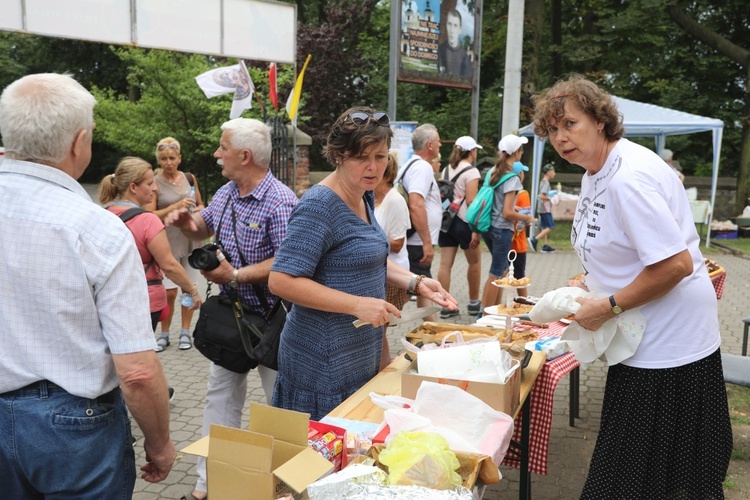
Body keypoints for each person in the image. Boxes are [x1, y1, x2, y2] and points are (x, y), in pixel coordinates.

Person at [532, 74, 731, 499]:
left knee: (644, 476)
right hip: (639, 340)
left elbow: (675, 264)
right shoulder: (595, 171)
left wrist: (607, 305)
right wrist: (592, 279)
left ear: (599, 121)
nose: (561, 137)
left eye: (570, 123)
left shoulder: (629, 178)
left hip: (670, 349)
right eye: (552, 130)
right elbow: (624, 244)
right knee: (637, 471)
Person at [0, 73, 175, 497]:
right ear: (79, 142)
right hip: (74, 428)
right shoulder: (98, 230)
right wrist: (160, 443)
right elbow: (135, 372)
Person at [268, 107, 456, 421]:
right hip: (322, 362)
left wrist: (416, 282)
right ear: (338, 155)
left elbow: (367, 259)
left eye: (380, 157)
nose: (373, 168)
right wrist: (356, 304)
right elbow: (281, 281)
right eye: (361, 158)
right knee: (324, 461)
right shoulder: (319, 205)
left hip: (361, 350)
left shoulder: (364, 194)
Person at [165, 118, 297, 500]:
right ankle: (209, 484)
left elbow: (289, 263)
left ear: (245, 155)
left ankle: (284, 484)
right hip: (233, 320)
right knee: (219, 399)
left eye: (223, 147)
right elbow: (201, 230)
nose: (216, 153)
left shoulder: (281, 200)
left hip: (277, 323)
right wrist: (187, 223)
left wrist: (236, 275)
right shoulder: (226, 192)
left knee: (280, 406)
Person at [98, 157, 203, 331]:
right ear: (133, 187)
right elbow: (169, 265)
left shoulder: (104, 214)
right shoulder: (148, 220)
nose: (155, 189)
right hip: (143, 300)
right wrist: (193, 291)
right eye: (149, 184)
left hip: (111, 298)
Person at [145, 137, 205, 352]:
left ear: (179, 159)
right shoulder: (154, 182)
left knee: (189, 289)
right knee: (169, 292)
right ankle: (164, 333)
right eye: (163, 159)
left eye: (172, 158)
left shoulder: (189, 178)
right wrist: (176, 206)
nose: (168, 162)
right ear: (158, 160)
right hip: (167, 241)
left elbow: (200, 203)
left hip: (192, 240)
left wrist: (198, 210)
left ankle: (185, 332)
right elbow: (150, 214)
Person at [479, 134, 534, 311]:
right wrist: (526, 217)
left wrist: (514, 210)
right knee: (495, 273)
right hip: (502, 229)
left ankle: (494, 309)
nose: (521, 153)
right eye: (521, 149)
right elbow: (507, 212)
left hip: (489, 226)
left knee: (501, 269)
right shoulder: (512, 178)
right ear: (516, 152)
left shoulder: (494, 172)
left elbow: (498, 203)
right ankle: (485, 313)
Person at [397, 123, 443, 321]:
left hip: (414, 239)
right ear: (430, 145)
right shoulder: (422, 167)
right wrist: (426, 242)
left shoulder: (409, 164)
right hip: (417, 241)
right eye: (439, 141)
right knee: (422, 287)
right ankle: (432, 334)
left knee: (420, 287)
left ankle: (431, 333)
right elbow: (416, 204)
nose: (441, 144)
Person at [437, 136, 483, 318]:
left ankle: (445, 305)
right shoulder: (472, 172)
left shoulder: (446, 170)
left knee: (444, 265)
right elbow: (472, 201)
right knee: (475, 262)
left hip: (446, 222)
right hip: (464, 222)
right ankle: (473, 303)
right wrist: (476, 230)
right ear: (471, 151)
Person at [374, 152, 412, 370]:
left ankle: (382, 373)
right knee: (376, 332)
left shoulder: (395, 200)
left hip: (392, 276)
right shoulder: (369, 198)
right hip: (376, 271)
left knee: (379, 331)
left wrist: (366, 239)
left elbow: (397, 243)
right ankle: (380, 373)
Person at [509, 161, 531, 297]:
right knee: (520, 276)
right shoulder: (523, 194)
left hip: (505, 239)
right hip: (518, 242)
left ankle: (494, 304)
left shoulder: (506, 192)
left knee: (501, 275)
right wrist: (529, 218)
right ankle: (524, 303)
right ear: (520, 175)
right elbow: (526, 217)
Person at [437, 8, 472, 78]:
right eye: (449, 24)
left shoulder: (464, 56)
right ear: (446, 26)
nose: (452, 30)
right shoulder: (440, 50)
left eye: (455, 25)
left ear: (460, 30)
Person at [530, 163, 557, 253]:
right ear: (548, 172)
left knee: (544, 226)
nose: (554, 173)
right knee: (550, 226)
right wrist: (552, 198)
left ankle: (545, 246)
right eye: (553, 171)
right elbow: (541, 196)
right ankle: (534, 239)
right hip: (545, 208)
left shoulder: (542, 181)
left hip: (541, 208)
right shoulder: (546, 183)